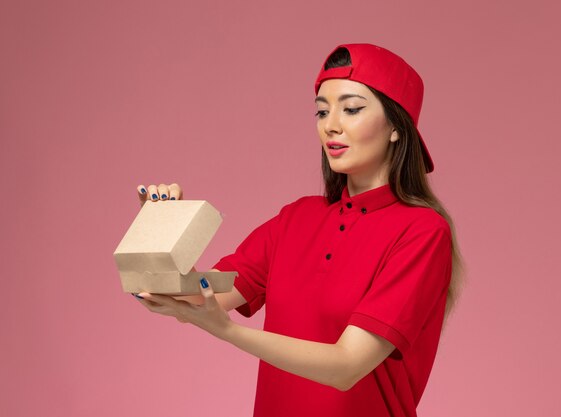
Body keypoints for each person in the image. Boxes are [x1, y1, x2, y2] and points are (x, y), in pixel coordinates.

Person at [133, 43, 465, 417]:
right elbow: (195, 299)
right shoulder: (296, 219)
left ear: (395, 126)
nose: (331, 125)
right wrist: (160, 228)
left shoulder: (421, 232)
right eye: (322, 111)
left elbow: (347, 367)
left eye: (352, 109)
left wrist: (227, 331)